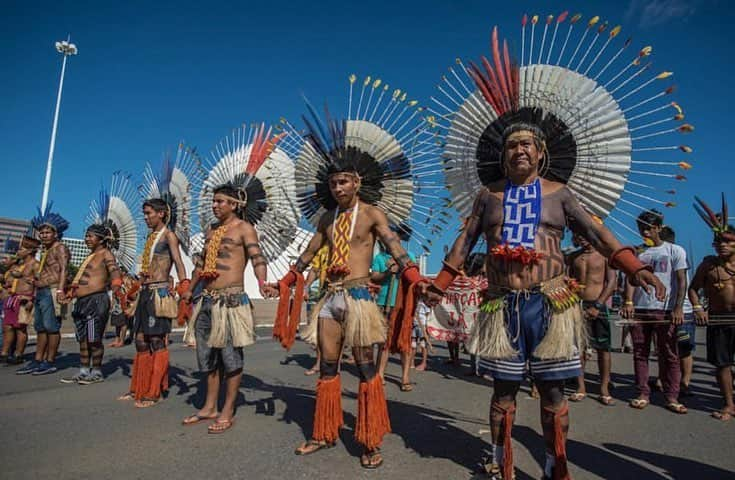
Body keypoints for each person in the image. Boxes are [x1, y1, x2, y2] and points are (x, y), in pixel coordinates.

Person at [423, 122, 664, 480]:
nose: (519, 150)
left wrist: (633, 266)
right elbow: (465, 240)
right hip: (502, 306)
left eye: (526, 144)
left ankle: (555, 466)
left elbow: (596, 232)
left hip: (551, 305)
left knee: (553, 393)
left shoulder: (559, 194)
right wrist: (440, 282)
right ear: (502, 155)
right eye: (511, 145)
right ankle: (500, 461)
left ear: (540, 151)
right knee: (503, 392)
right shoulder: (488, 196)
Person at [271, 100, 432, 470]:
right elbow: (309, 254)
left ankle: (370, 438)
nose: (338, 186)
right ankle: (324, 431)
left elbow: (394, 246)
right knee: (328, 366)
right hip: (330, 298)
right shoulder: (327, 218)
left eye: (343, 181)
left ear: (356, 182)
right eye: (333, 182)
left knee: (364, 367)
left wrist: (413, 276)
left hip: (360, 296)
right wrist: (288, 277)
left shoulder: (373, 213)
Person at [119, 170, 190, 407]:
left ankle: (154, 391)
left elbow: (179, 263)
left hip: (159, 293)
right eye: (144, 214)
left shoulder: (168, 236)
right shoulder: (150, 237)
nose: (146, 218)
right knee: (140, 340)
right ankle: (138, 387)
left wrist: (184, 286)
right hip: (145, 293)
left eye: (149, 214)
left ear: (161, 214)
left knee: (157, 341)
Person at [621, 210, 689, 414]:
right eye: (641, 227)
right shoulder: (638, 252)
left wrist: (678, 307)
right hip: (641, 308)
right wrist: (628, 302)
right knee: (640, 353)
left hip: (665, 309)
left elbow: (681, 280)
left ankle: (672, 396)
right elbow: (631, 278)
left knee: (669, 353)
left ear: (659, 227)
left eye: (649, 227)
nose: (645, 231)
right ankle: (643, 393)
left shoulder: (674, 250)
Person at [688, 195, 735, 420]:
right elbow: (693, 288)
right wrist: (698, 309)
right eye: (719, 242)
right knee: (722, 364)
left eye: (728, 241)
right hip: (718, 318)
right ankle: (728, 404)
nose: (723, 246)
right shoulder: (708, 264)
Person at [61, 224, 123, 384]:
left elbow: (114, 270)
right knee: (82, 339)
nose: (86, 239)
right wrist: (70, 293)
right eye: (86, 236)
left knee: (93, 339)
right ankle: (83, 370)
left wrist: (116, 285)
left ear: (101, 239)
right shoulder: (90, 256)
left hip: (96, 302)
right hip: (81, 303)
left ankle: (96, 371)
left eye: (90, 236)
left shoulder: (105, 254)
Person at [17, 203, 70, 376]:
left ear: (56, 234)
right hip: (41, 291)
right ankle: (38, 360)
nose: (44, 235)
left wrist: (61, 291)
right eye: (42, 232)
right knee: (40, 327)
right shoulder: (46, 250)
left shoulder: (60, 247)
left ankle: (50, 361)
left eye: (48, 232)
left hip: (52, 290)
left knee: (51, 327)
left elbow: (63, 269)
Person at [566, 232, 617, 405]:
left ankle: (604, 387)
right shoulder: (573, 257)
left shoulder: (605, 256)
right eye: (578, 235)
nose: (581, 237)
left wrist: (598, 305)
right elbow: (567, 281)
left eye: (584, 233)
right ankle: (580, 387)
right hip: (577, 306)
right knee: (579, 348)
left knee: (603, 348)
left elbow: (611, 282)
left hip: (598, 306)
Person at [372, 226, 417, 391]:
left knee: (404, 341)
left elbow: (414, 277)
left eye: (394, 237)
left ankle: (405, 377)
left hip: (403, 304)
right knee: (383, 341)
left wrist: (403, 268)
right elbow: (374, 277)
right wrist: (387, 272)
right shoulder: (379, 257)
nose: (390, 240)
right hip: (384, 303)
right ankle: (380, 373)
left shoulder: (409, 256)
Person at [1, 236, 40, 364]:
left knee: (20, 328)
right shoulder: (20, 264)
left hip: (24, 299)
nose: (18, 251)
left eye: (21, 249)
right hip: (12, 297)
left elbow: (39, 283)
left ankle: (18, 354)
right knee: (8, 327)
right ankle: (4, 352)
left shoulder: (35, 265)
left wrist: (31, 299)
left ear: (29, 251)